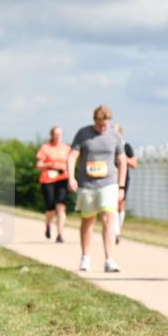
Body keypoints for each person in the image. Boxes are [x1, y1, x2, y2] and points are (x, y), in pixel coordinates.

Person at [67, 105, 126, 273]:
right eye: (100, 124)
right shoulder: (83, 134)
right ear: (95, 120)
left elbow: (122, 161)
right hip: (87, 184)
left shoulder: (114, 135)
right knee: (88, 220)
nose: (103, 127)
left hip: (108, 183)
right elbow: (72, 157)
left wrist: (121, 186)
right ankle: (85, 256)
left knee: (108, 217)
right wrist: (71, 177)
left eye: (106, 124)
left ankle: (109, 259)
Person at [35, 126, 71, 243]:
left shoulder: (67, 148)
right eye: (55, 134)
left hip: (62, 179)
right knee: (51, 207)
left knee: (61, 206)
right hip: (48, 179)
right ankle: (48, 224)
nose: (58, 136)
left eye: (60, 134)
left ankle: (60, 234)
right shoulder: (45, 148)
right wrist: (51, 165)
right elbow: (38, 165)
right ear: (51, 135)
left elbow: (71, 163)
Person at [112, 124, 138, 244]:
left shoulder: (126, 146)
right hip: (109, 178)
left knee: (120, 204)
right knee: (111, 205)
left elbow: (134, 163)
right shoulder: (107, 145)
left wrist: (122, 158)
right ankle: (114, 231)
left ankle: (118, 231)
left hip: (123, 178)